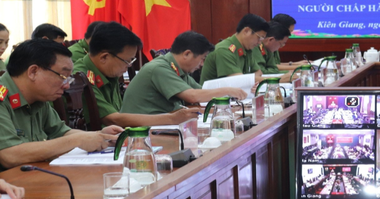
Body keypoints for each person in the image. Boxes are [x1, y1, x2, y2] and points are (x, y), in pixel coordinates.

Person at [0, 39, 123, 171]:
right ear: (33, 72)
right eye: (63, 77)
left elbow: (61, 132)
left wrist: (99, 136)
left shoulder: (38, 97)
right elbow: (9, 155)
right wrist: (77, 141)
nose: (67, 86)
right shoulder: (3, 97)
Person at [73, 22, 201, 127]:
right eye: (126, 61)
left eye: (131, 61)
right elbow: (112, 119)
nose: (129, 66)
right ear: (104, 57)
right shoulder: (82, 77)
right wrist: (171, 118)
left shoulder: (108, 72)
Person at [121, 31, 247, 115]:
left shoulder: (179, 70)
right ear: (187, 54)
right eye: (202, 59)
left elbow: (202, 92)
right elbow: (192, 96)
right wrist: (228, 90)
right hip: (140, 130)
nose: (202, 64)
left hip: (160, 124)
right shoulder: (159, 68)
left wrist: (233, 97)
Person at [200, 13, 269, 84]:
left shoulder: (247, 48)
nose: (259, 43)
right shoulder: (224, 50)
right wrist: (272, 80)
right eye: (259, 37)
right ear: (246, 31)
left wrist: (247, 79)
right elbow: (238, 80)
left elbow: (258, 72)